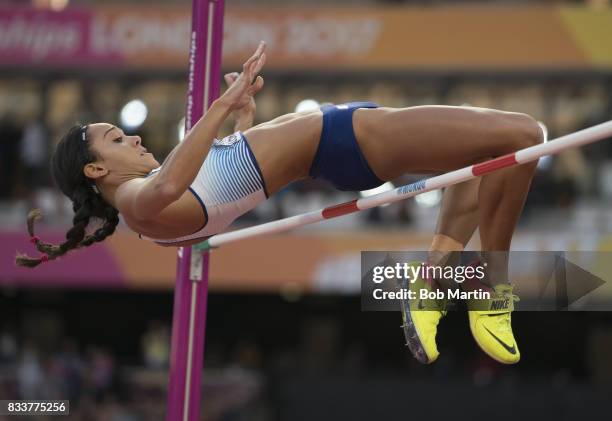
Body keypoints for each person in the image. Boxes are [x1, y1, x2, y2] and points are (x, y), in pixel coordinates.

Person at [16, 42, 543, 365]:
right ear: (96, 171)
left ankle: (430, 286)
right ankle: (493, 292)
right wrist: (222, 105)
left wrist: (243, 120)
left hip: (336, 138)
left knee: (483, 159)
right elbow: (168, 189)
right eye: (115, 140)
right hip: (345, 140)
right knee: (525, 135)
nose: (132, 138)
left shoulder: (152, 207)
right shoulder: (140, 201)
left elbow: (233, 178)